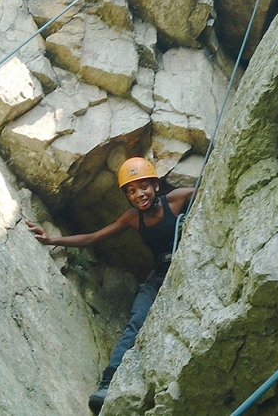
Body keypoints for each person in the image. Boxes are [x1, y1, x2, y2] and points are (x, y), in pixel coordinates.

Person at [26, 157, 194, 414]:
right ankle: (107, 384)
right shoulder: (131, 218)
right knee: (136, 320)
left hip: (184, 263)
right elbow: (93, 237)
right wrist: (52, 240)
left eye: (144, 187)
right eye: (132, 191)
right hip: (159, 273)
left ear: (156, 186)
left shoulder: (178, 199)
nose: (140, 194)